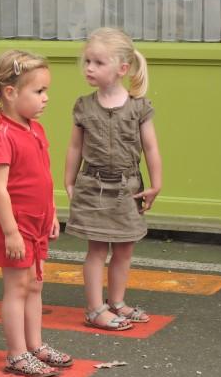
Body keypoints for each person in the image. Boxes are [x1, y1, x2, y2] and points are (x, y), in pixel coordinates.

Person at [64, 27, 162, 331]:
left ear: (122, 69)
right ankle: (95, 308)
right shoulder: (83, 105)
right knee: (96, 250)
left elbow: (150, 147)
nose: (89, 68)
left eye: (98, 62)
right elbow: (74, 146)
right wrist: (68, 180)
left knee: (124, 250)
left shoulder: (138, 107)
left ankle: (117, 302)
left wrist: (155, 184)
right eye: (88, 61)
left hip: (127, 188)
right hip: (93, 186)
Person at [0, 50, 70, 377]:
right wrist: (10, 232)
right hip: (15, 226)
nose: (46, 98)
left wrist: (53, 214)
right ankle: (17, 354)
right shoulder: (1, 135)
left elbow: (44, 176)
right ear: (10, 92)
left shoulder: (35, 129)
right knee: (17, 289)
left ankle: (35, 345)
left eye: (45, 90)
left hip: (37, 223)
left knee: (35, 285)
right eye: (38, 91)